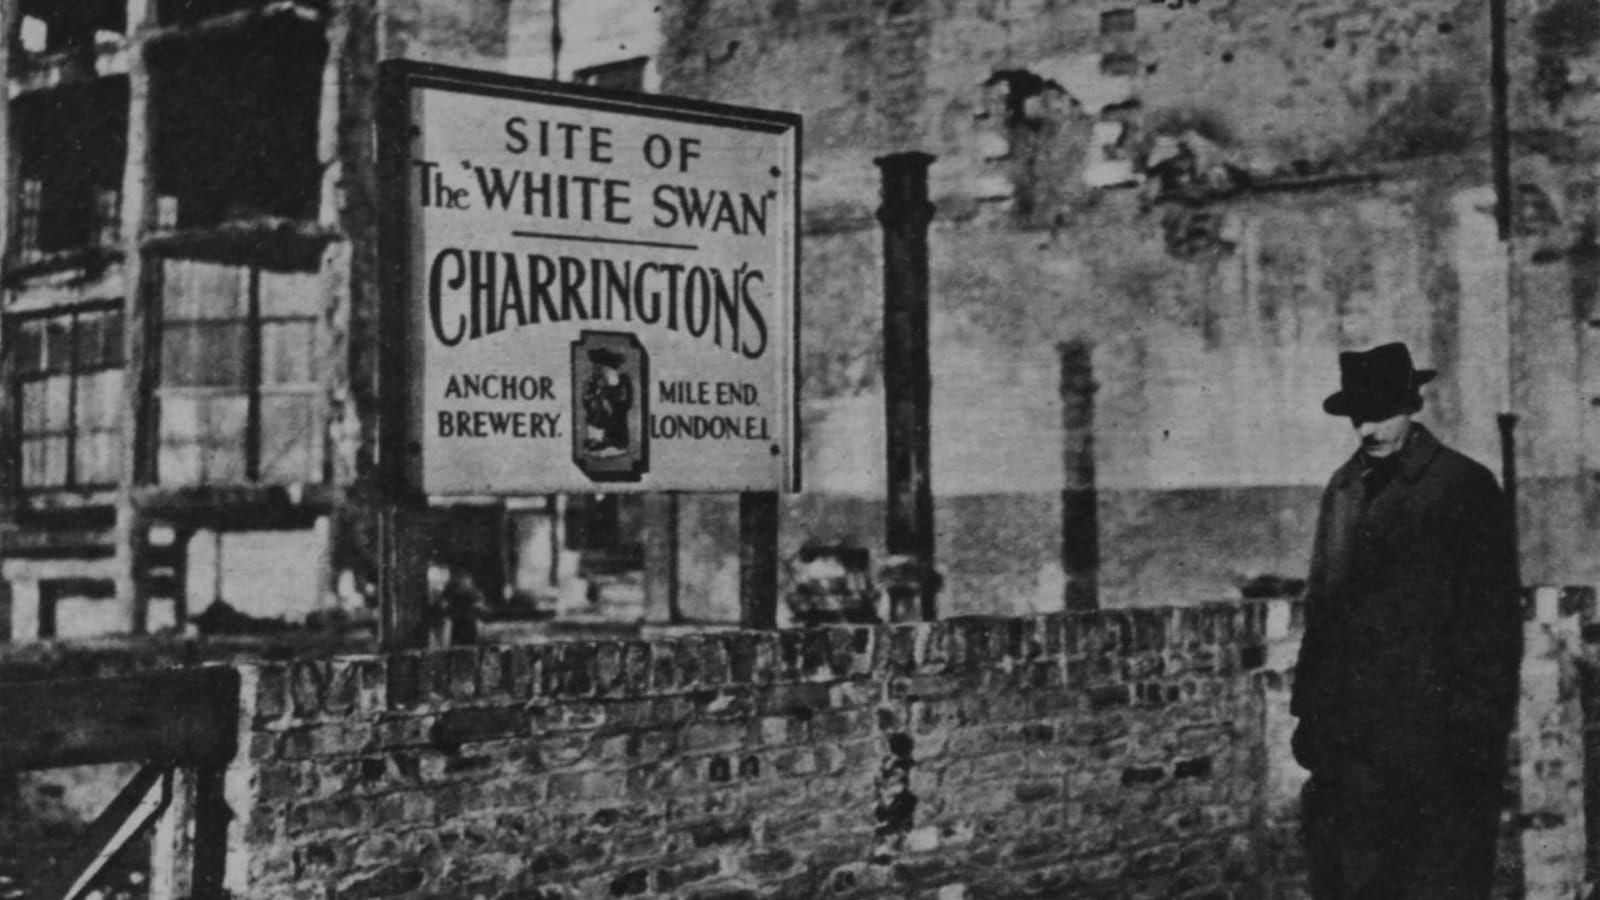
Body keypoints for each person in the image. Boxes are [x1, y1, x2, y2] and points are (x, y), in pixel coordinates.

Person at [1291, 342, 1521, 900]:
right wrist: (1310, 718)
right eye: (1358, 416)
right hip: (1351, 745)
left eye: (1380, 412)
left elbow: (1492, 623)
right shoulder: (1342, 491)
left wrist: (1473, 729)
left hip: (1436, 741)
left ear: (1410, 406)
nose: (1367, 427)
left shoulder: (1462, 486)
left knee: (1436, 880)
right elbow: (1322, 609)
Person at [582, 347, 633, 457]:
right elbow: (588, 402)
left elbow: (624, 403)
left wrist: (607, 394)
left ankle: (613, 445)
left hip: (615, 428)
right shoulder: (595, 382)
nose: (595, 370)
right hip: (598, 423)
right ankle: (596, 441)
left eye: (599, 367)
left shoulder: (622, 381)